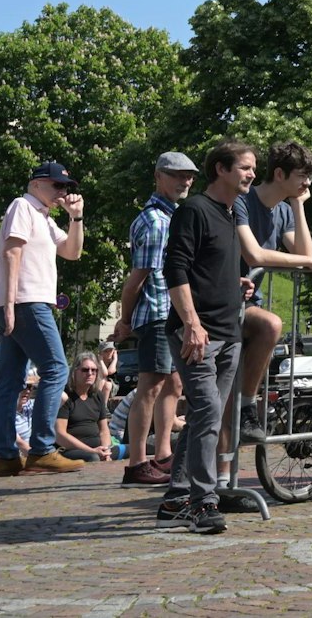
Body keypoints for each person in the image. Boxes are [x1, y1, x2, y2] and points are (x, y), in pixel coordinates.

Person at [158, 141, 256, 534]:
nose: (252, 174)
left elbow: (207, 266)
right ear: (222, 169)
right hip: (197, 334)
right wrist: (192, 323)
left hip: (229, 332)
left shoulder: (231, 213)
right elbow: (175, 268)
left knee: (204, 415)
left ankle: (176, 498)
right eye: (245, 167)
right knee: (209, 412)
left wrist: (236, 283)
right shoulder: (194, 210)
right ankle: (203, 503)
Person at [0, 161, 88, 476]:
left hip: (22, 302)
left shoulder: (44, 218)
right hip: (26, 302)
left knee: (11, 380)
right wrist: (9, 304)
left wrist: (76, 217)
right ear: (36, 184)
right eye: (57, 185)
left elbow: (72, 252)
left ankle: (4, 457)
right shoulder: (23, 206)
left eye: (66, 187)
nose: (63, 191)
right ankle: (42, 449)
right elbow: (11, 253)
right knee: (56, 368)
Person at [229, 141, 312, 445]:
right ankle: (247, 407)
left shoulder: (283, 210)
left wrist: (298, 206)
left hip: (247, 302)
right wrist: (308, 261)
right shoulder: (242, 201)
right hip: (223, 301)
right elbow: (255, 255)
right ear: (280, 174)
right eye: (302, 176)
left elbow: (305, 254)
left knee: (224, 412)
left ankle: (243, 410)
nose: (307, 184)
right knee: (271, 324)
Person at [110, 151, 195, 485]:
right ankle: (136, 463)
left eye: (188, 176)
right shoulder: (157, 221)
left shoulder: (170, 216)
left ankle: (162, 454)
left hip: (168, 313)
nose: (184, 181)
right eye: (177, 175)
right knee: (150, 385)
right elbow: (137, 280)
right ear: (159, 177)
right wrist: (125, 320)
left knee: (173, 383)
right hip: (158, 312)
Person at [55, 352, 114, 462]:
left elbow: (104, 429)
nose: (90, 373)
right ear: (74, 372)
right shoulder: (65, 397)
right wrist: (92, 451)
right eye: (85, 370)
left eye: (94, 370)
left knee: (135, 449)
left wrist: (106, 451)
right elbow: (60, 435)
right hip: (72, 449)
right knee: (94, 458)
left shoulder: (97, 395)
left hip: (99, 449)